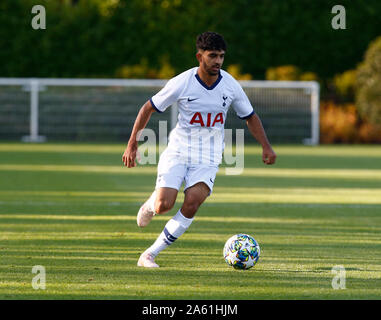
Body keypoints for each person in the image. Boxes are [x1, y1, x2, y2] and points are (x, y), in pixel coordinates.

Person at [122, 31, 276, 268]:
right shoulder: (182, 82)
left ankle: (149, 255)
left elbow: (250, 116)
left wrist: (266, 146)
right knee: (165, 205)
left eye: (222, 56)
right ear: (199, 56)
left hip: (209, 156)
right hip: (178, 151)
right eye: (212, 55)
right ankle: (152, 203)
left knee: (193, 202)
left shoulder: (230, 85)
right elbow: (147, 108)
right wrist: (132, 143)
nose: (218, 61)